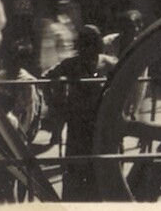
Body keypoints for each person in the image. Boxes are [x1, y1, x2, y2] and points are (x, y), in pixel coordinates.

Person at [44, 25, 117, 201]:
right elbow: (46, 78)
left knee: (99, 166)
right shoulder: (71, 64)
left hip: (100, 122)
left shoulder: (110, 63)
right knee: (76, 167)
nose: (89, 47)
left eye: (93, 42)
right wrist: (56, 104)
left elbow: (126, 84)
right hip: (77, 123)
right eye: (85, 42)